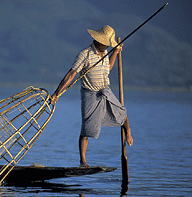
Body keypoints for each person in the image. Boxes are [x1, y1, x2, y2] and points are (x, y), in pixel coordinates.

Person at [50, 25, 133, 168]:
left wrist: (115, 52)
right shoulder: (85, 54)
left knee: (122, 111)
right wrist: (57, 93)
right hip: (90, 93)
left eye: (109, 44)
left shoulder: (106, 52)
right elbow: (71, 74)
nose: (107, 46)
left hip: (104, 90)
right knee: (86, 128)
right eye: (106, 43)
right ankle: (83, 161)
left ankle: (129, 133)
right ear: (98, 41)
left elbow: (108, 68)